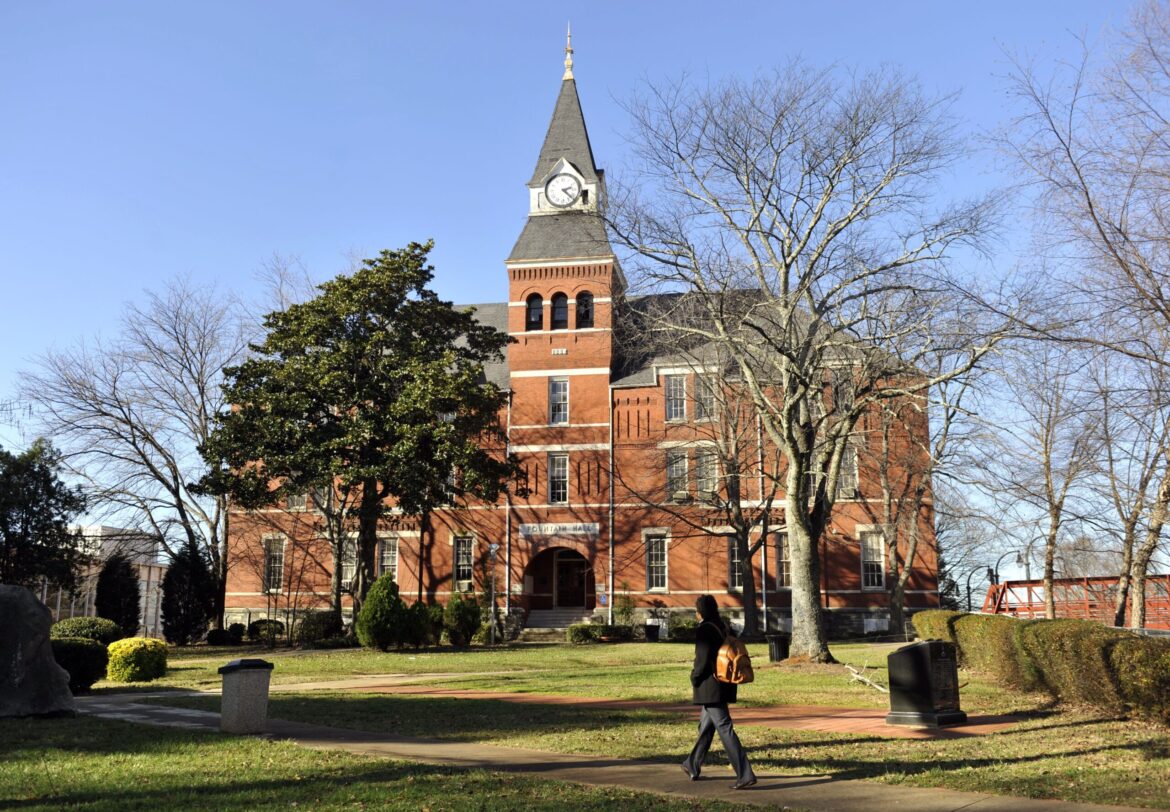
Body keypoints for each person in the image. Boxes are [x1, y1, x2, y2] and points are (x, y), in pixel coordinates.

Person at [681, 594, 757, 789]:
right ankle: (692, 764)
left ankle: (744, 773)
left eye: (697, 609)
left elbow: (702, 660)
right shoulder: (723, 626)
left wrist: (694, 678)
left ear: (700, 611)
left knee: (724, 727)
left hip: (710, 686)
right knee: (706, 726)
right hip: (725, 682)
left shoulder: (705, 629)